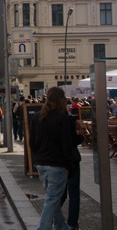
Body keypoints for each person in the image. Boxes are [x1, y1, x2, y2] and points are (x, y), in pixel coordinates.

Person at [29, 87, 74, 230]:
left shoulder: (38, 117)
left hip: (41, 163)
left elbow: (32, 142)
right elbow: (66, 145)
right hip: (57, 165)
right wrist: (69, 165)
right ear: (60, 99)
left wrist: (36, 158)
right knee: (52, 199)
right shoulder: (61, 118)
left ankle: (61, 226)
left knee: (52, 199)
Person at [60, 113, 84, 230]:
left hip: (55, 161)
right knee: (73, 194)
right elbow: (74, 140)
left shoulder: (44, 118)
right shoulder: (67, 120)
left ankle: (50, 218)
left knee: (60, 194)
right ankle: (72, 223)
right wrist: (81, 137)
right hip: (71, 161)